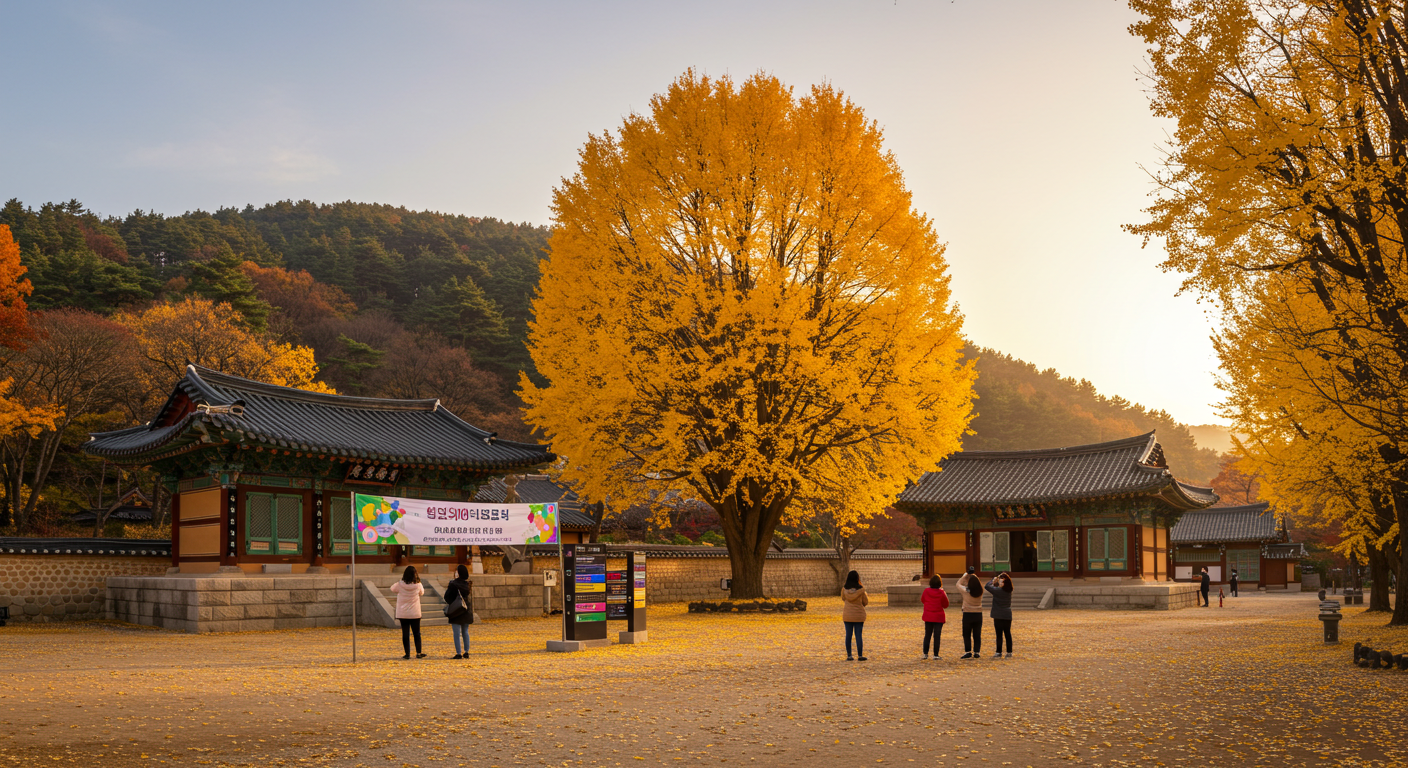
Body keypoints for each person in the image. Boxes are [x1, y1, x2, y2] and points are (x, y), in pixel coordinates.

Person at [391, 565, 426, 659]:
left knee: (405, 633)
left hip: (403, 613)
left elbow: (392, 589)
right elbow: (422, 593)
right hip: (415, 612)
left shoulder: (400, 584)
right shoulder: (418, 584)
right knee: (416, 633)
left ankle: (407, 654)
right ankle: (418, 652)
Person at [955, 566, 984, 659]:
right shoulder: (980, 591)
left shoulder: (966, 591)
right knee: (977, 634)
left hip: (967, 613)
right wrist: (974, 576)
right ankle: (977, 651)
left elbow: (958, 584)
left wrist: (966, 575)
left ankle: (968, 651)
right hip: (978, 614)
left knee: (966, 634)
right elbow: (977, 583)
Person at [445, 564, 473, 659]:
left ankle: (458, 653)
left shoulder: (453, 584)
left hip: (456, 610)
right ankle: (466, 651)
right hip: (466, 609)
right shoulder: (467, 584)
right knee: (465, 631)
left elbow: (447, 597)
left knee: (456, 633)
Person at [841, 570, 869, 661]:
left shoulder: (844, 590)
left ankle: (849, 655)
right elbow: (865, 602)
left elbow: (843, 598)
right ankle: (860, 655)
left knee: (848, 635)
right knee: (858, 635)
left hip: (847, 615)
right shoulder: (861, 590)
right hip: (859, 615)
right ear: (857, 578)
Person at [920, 574, 949, 660]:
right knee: (937, 636)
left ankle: (925, 653)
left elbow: (922, 600)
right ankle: (936, 654)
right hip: (938, 617)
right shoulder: (941, 592)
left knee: (927, 635)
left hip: (928, 616)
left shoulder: (926, 591)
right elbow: (946, 604)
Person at [986, 572, 1014, 658]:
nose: (1000, 583)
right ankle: (1009, 651)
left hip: (998, 614)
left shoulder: (998, 591)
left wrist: (993, 580)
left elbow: (987, 586)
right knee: (1007, 633)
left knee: (999, 634)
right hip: (1007, 614)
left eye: (1002, 582)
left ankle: (999, 651)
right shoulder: (1009, 591)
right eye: (1000, 582)